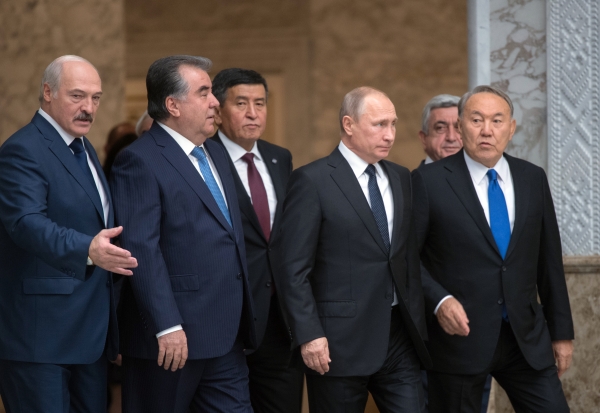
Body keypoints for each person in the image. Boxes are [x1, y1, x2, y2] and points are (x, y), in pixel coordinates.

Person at [412, 85, 574, 413]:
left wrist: (561, 333)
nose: (487, 130)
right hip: (459, 340)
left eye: (497, 120)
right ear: (461, 126)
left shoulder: (532, 178)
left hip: (525, 339)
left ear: (511, 128)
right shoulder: (428, 181)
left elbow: (548, 262)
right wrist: (439, 300)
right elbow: (406, 258)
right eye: (476, 120)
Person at [110, 55, 257, 413]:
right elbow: (141, 249)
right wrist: (166, 325)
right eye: (204, 93)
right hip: (172, 341)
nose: (215, 102)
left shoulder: (216, 154)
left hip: (226, 338)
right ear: (173, 105)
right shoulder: (139, 160)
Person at [276, 86, 431, 413]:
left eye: (393, 124)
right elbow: (292, 269)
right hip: (337, 344)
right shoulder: (312, 181)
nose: (390, 134)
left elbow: (405, 258)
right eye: (379, 124)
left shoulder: (401, 178)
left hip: (399, 339)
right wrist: (309, 334)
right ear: (348, 125)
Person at [0, 55, 138, 413]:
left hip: (88, 337)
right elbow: (25, 222)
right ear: (48, 92)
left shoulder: (84, 147)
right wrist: (88, 249)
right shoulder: (22, 149)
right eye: (77, 96)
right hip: (40, 339)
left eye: (96, 98)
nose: (88, 108)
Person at [211, 68, 304, 413]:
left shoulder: (280, 158)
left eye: (260, 103)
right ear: (218, 109)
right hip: (229, 316)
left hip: (279, 318)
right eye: (241, 103)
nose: (253, 113)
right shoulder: (204, 157)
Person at [417, 94, 462, 168]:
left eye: (459, 127)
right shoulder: (416, 176)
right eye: (440, 128)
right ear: (424, 138)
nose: (451, 138)